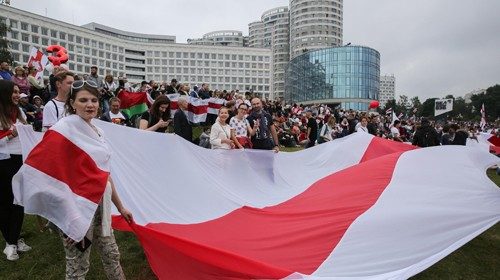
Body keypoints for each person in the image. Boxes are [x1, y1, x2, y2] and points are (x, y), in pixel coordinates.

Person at [58, 80, 132, 279]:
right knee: (78, 265)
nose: (90, 104)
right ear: (72, 103)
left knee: (112, 255)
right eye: (83, 100)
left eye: (94, 100)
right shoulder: (63, 130)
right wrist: (68, 216)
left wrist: (121, 206)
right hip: (77, 208)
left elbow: (105, 174)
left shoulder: (99, 132)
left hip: (101, 205)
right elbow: (56, 174)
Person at [0, 80, 31, 261]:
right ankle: (10, 242)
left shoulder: (18, 112)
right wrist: (12, 134)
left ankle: (15, 238)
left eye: (18, 91)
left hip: (20, 160)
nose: (18, 94)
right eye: (14, 91)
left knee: (19, 201)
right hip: (4, 163)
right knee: (5, 202)